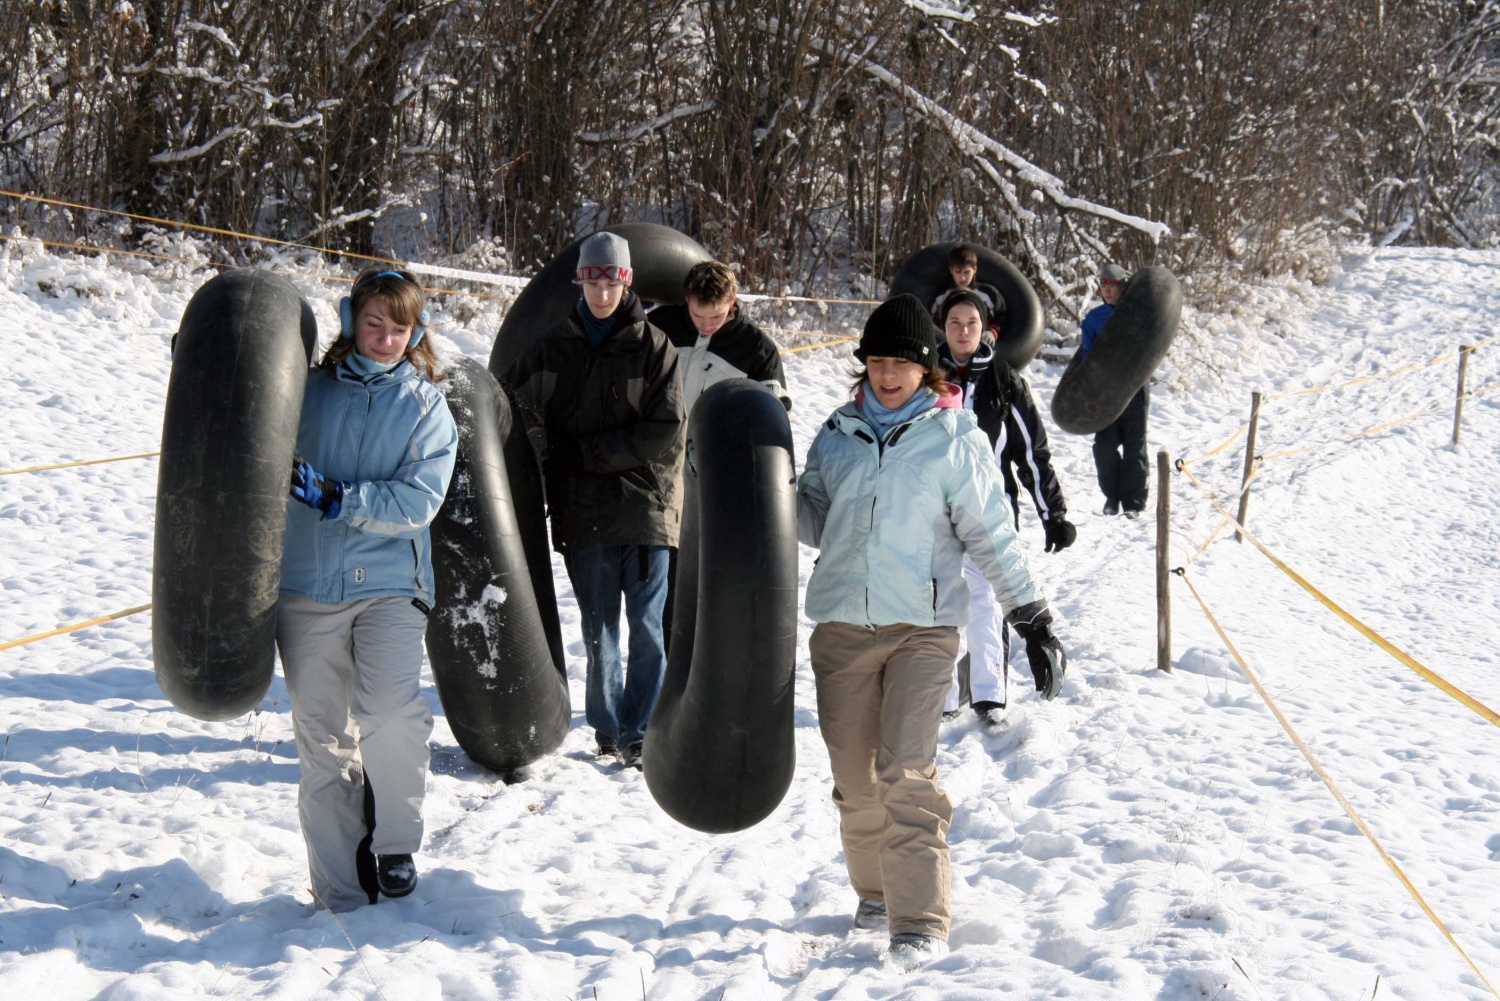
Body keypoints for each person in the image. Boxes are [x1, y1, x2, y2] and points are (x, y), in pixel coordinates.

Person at [796, 293, 1066, 969]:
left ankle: (919, 917)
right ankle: (878, 893)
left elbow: (990, 532)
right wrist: (760, 483)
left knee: (905, 772)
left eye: (902, 362)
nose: (887, 374)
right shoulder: (836, 432)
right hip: (841, 628)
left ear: (927, 367)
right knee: (855, 783)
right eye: (877, 361)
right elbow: (809, 522)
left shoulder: (955, 438)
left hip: (923, 629)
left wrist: (1028, 614)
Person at [276, 268, 458, 911]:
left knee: (386, 712)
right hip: (306, 584)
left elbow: (420, 498)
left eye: (398, 329)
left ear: (416, 334)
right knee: (321, 740)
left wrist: (338, 499)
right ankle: (339, 896)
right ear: (352, 320)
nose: (384, 339)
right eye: (373, 324)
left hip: (389, 584)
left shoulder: (425, 405)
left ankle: (395, 843)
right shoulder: (306, 392)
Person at [504, 232, 686, 770]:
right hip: (582, 511)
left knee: (647, 627)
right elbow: (511, 402)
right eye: (592, 279)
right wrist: (538, 450)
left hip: (647, 508)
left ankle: (640, 730)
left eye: (611, 279)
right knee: (599, 626)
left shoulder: (655, 349)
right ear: (579, 281)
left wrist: (584, 454)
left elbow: (666, 428)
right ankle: (607, 730)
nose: (601, 290)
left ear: (626, 280)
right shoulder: (552, 347)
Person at [936, 290, 1075, 725]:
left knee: (985, 601)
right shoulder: (925, 375)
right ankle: (939, 699)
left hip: (991, 513)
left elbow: (1032, 451)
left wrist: (1053, 514)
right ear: (943, 327)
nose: (962, 331)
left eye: (971, 323)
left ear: (985, 329)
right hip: (934, 514)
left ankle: (988, 696)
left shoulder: (1004, 380)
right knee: (938, 603)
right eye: (955, 323)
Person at [648, 260, 791, 413]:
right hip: (659, 434)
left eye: (716, 316)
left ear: (732, 300)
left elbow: (774, 414)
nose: (706, 325)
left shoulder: (758, 347)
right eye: (697, 315)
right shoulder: (660, 324)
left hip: (716, 435)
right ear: (687, 299)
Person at [1079, 263, 1149, 517]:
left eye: (1113, 287)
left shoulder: (1136, 314)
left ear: (1123, 288)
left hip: (1134, 386)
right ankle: (1112, 497)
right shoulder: (1094, 319)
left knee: (1134, 444)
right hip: (1106, 389)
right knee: (1104, 445)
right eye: (1104, 286)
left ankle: (1133, 502)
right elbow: (1088, 355)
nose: (1107, 292)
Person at [929, 243, 1004, 328]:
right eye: (958, 272)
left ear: (974, 269)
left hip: (981, 339)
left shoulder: (989, 294)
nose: (963, 278)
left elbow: (1003, 319)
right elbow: (932, 325)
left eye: (966, 272)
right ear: (951, 270)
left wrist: (993, 332)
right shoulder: (940, 298)